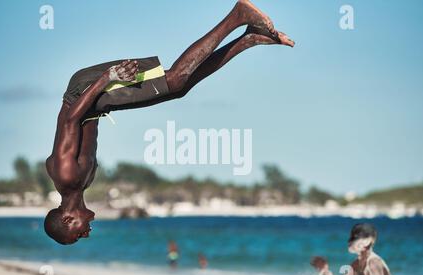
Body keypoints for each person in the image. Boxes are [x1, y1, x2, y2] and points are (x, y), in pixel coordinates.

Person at [45, 0, 295, 245]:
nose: (86, 234)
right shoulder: (82, 183)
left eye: (78, 234)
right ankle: (248, 38)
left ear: (68, 220)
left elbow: (70, 119)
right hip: (98, 104)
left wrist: (107, 79)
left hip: (86, 91)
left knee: (174, 80)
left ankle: (238, 15)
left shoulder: (66, 177)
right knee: (178, 89)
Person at [311, 223, 399, 275]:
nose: (350, 241)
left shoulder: (373, 262)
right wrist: (326, 272)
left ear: (367, 241)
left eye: (356, 238)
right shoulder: (357, 264)